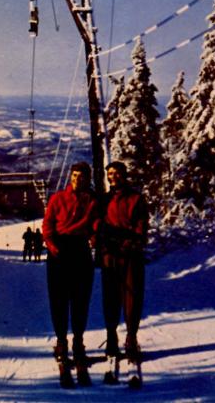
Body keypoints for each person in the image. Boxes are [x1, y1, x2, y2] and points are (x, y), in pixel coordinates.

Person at [42, 161, 98, 388]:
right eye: (74, 176)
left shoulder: (92, 201)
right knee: (59, 300)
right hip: (60, 251)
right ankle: (62, 342)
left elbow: (95, 223)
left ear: (88, 179)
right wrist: (54, 249)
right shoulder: (58, 199)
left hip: (80, 250)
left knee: (80, 299)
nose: (77, 180)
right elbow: (47, 226)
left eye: (81, 177)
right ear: (70, 177)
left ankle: (78, 342)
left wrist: (94, 237)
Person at [97, 161, 149, 387]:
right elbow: (97, 224)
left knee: (132, 296)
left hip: (130, 254)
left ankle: (131, 337)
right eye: (110, 174)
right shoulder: (104, 199)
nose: (114, 177)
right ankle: (111, 337)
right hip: (110, 253)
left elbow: (141, 225)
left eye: (117, 174)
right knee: (110, 296)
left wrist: (130, 243)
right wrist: (102, 240)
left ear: (124, 176)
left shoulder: (136, 198)